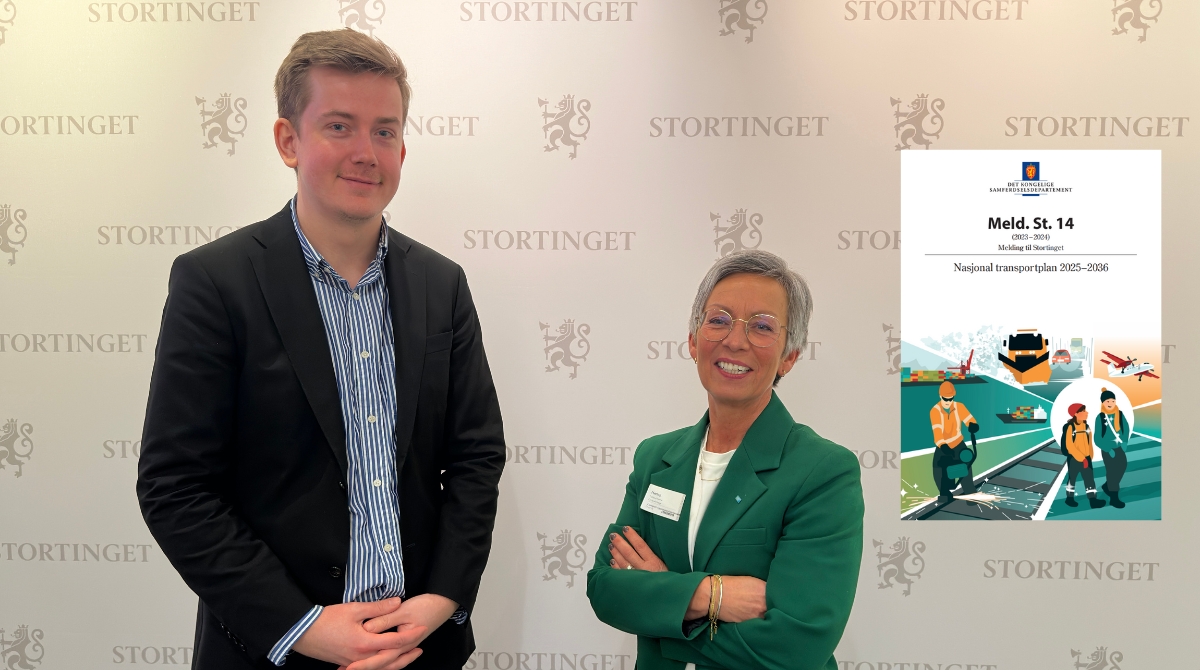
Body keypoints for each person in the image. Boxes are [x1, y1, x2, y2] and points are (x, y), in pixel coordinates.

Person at [136, 30, 505, 670]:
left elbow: (476, 455)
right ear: (288, 140)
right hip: (273, 649)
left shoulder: (441, 284)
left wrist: (441, 598)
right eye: (339, 126)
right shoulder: (215, 282)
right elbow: (176, 488)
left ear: (402, 148)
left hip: (418, 645)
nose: (366, 152)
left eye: (385, 131)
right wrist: (301, 626)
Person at [586, 251, 864, 670]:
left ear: (789, 356)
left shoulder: (822, 471)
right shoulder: (655, 459)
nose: (735, 340)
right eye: (718, 320)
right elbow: (606, 590)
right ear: (693, 340)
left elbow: (797, 646)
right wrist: (712, 595)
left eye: (762, 327)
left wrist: (664, 604)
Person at [928, 381, 980, 504]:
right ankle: (944, 493)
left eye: (950, 398)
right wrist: (943, 445)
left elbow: (969, 419)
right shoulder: (935, 411)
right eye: (945, 398)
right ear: (940, 396)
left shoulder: (959, 407)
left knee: (966, 466)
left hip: (958, 444)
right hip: (943, 446)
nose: (948, 401)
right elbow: (937, 431)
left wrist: (973, 425)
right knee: (938, 468)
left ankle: (970, 493)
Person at [1060, 403, 1105, 509]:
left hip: (1086, 458)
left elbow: (1089, 443)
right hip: (1074, 458)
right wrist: (1082, 458)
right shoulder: (1070, 427)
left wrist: (1089, 456)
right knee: (1072, 478)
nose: (1086, 413)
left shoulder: (1086, 427)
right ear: (1076, 414)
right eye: (1083, 411)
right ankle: (1069, 498)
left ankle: (1093, 500)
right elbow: (1069, 445)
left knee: (1089, 479)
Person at [1095, 388, 1130, 509]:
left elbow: (1125, 428)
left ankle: (1107, 486)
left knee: (1123, 466)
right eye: (1107, 401)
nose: (1110, 403)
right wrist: (1107, 449)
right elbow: (1097, 438)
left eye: (1112, 401)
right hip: (1107, 450)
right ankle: (1114, 499)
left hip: (1119, 447)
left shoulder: (1120, 414)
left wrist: (1125, 441)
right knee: (1111, 472)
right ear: (1103, 403)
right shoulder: (1100, 417)